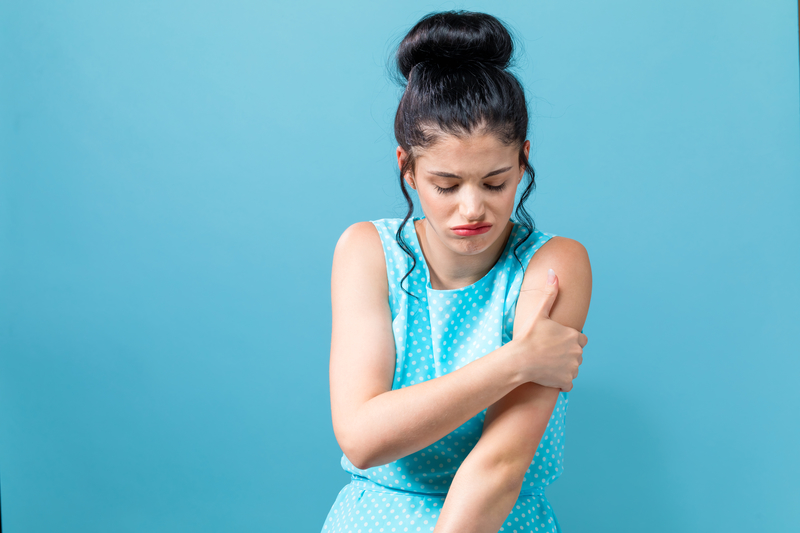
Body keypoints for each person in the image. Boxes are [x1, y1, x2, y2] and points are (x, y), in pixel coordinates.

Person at [321, 10, 592, 533]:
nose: (472, 209)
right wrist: (518, 359)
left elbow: (500, 466)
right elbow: (362, 438)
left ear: (523, 161)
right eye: (446, 185)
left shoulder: (554, 264)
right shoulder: (367, 250)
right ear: (407, 167)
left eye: (495, 183)